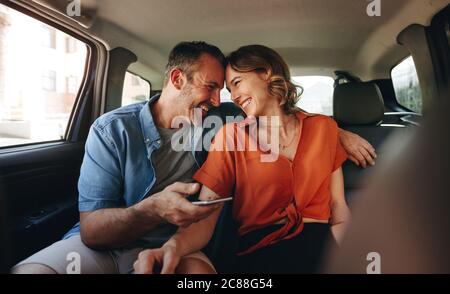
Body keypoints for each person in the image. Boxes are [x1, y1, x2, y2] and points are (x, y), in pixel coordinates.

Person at [13, 41, 375, 274]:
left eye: (232, 85)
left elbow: (337, 208)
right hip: (113, 246)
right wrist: (162, 225)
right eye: (216, 87)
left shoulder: (216, 123)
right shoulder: (222, 132)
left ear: (267, 75)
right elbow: (205, 212)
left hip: (314, 247)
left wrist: (334, 131)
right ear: (176, 78)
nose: (223, 100)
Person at [134, 45, 353, 274]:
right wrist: (172, 248)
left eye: (237, 83)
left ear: (266, 73)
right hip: (261, 254)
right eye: (230, 89)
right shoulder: (231, 135)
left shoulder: (324, 128)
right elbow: (205, 217)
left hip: (324, 250)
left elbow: (338, 210)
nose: (234, 97)